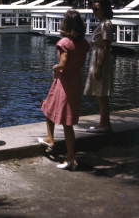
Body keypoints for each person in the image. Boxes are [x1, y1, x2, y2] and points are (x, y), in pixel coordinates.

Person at [38, 10, 90, 170]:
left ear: (66, 24)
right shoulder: (84, 43)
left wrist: (55, 67)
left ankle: (70, 158)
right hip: (75, 81)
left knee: (67, 122)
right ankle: (50, 138)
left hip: (64, 83)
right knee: (48, 107)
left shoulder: (64, 43)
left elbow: (63, 62)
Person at [84, 0, 115, 133]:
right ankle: (103, 122)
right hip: (98, 57)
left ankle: (104, 124)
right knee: (100, 93)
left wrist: (99, 66)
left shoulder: (106, 25)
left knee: (102, 93)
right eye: (93, 9)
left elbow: (106, 47)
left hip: (101, 59)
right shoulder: (102, 23)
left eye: (96, 9)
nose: (94, 11)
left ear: (104, 9)